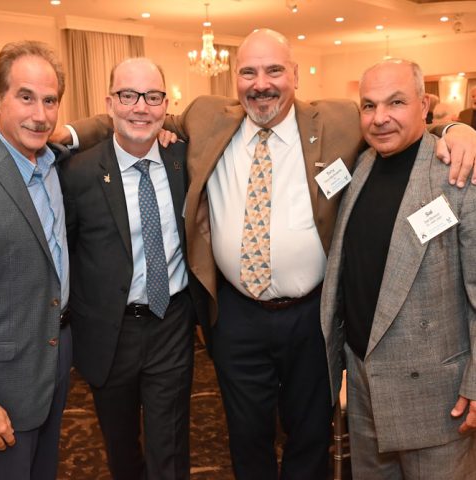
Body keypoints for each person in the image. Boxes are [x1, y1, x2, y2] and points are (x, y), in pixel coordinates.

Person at [51, 29, 476, 480]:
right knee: (246, 435)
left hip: (311, 315)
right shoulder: (207, 116)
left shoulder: (340, 119)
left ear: (295, 75)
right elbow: (138, 116)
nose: (261, 84)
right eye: (249, 72)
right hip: (237, 315)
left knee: (309, 434)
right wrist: (69, 132)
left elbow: (398, 123)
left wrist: (457, 129)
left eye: (274, 70)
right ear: (235, 78)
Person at [321, 59, 476, 479]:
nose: (380, 117)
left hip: (438, 400)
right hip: (365, 389)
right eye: (369, 106)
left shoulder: (458, 173)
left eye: (396, 102)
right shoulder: (360, 166)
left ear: (424, 105)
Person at [59, 57, 199, 480]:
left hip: (170, 321)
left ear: (166, 106)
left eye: (152, 97)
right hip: (109, 332)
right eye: (128, 95)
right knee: (120, 449)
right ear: (109, 103)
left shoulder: (185, 161)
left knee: (169, 448)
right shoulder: (78, 173)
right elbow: (66, 253)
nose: (140, 107)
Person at [0, 41, 71, 480]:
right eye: (26, 97)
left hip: (54, 363)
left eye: (50, 101)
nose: (40, 114)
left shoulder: (57, 162)